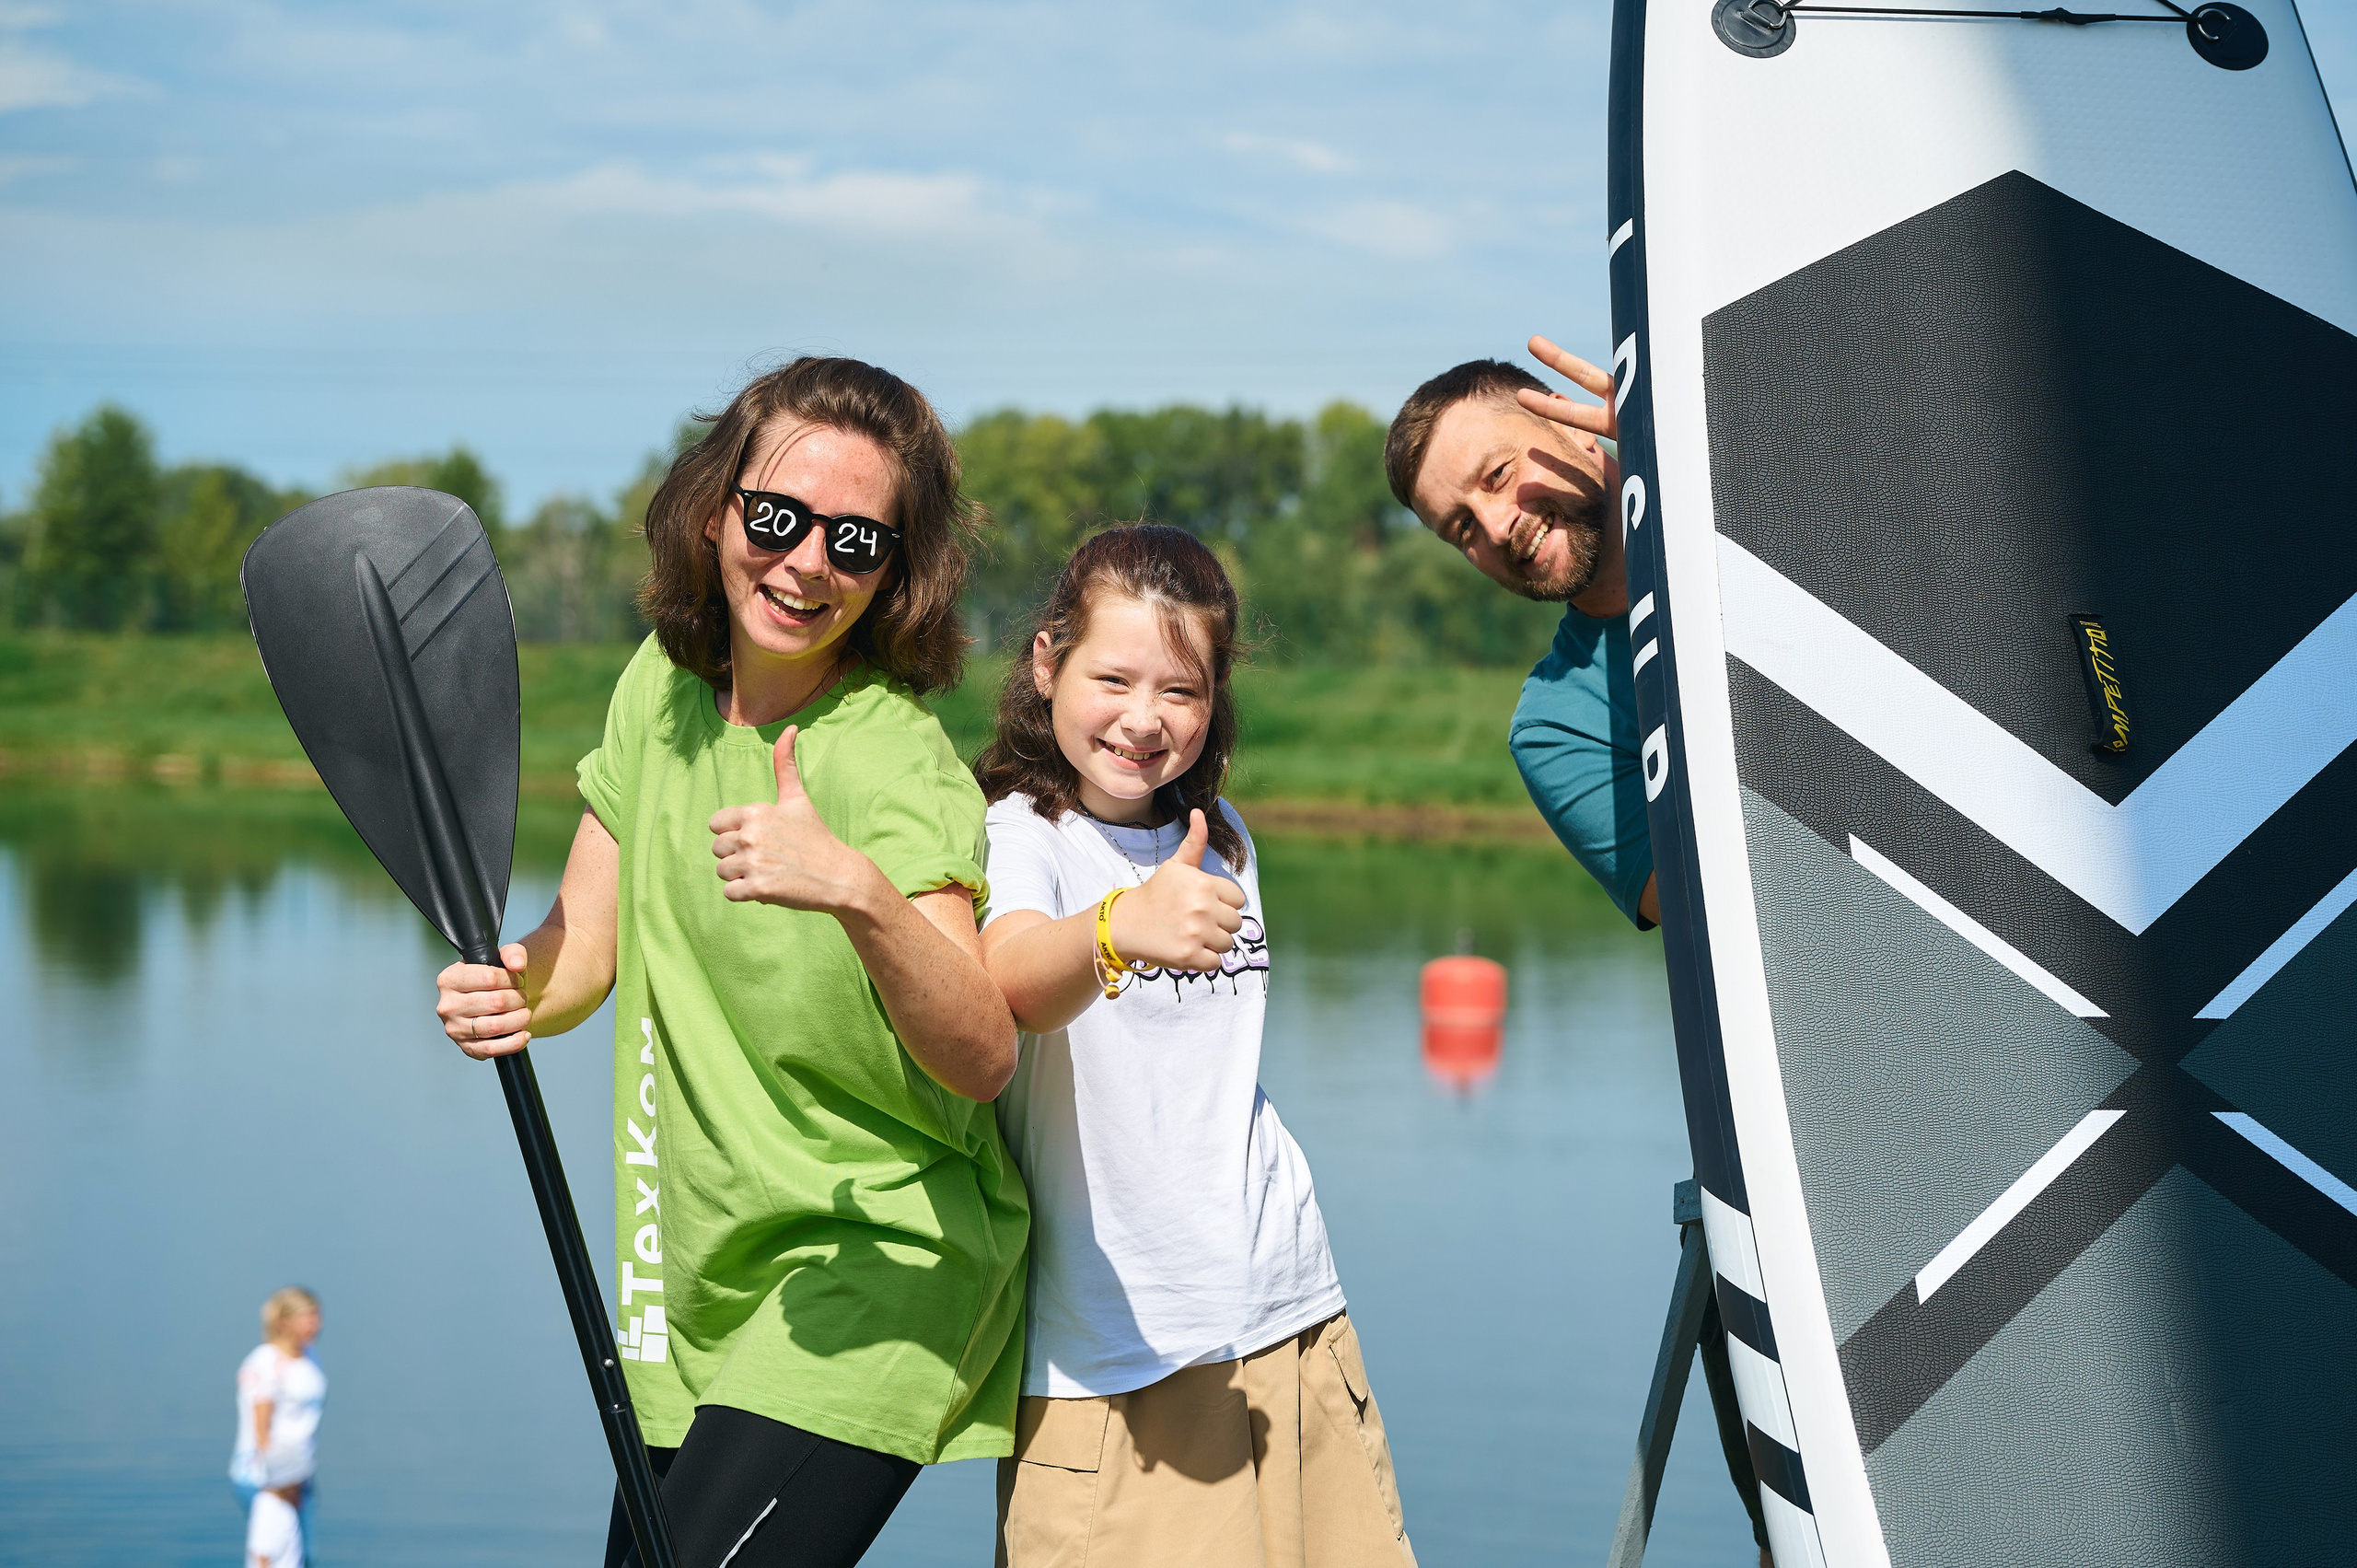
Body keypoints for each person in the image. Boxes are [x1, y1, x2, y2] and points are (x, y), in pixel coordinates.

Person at [431, 357, 1029, 1568]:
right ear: (716, 511)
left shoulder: (895, 765)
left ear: (894, 570)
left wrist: (855, 887)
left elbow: (982, 1052)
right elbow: (584, 943)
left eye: (857, 540)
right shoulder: (660, 688)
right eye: (778, 517)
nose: (808, 562)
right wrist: (514, 984)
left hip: (875, 1269)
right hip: (702, 1276)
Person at [1383, 340, 1771, 1564]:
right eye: (1460, 525)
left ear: (1572, 424)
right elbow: (1725, 906)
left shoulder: (1754, 516)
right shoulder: (1556, 721)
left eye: (1500, 473)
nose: (1497, 525)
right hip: (1788, 1165)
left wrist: (1701, 448)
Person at [975, 524, 1415, 1568]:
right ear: (1047, 662)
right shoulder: (1015, 833)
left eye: (1180, 689)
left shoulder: (1222, 835)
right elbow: (1007, 981)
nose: (1142, 718)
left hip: (1290, 1310)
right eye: (1112, 676)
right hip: (1111, 1356)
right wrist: (1116, 929)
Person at [230, 1286, 324, 1568]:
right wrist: (280, 1481)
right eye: (308, 1317)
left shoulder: (309, 1357)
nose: (316, 1324)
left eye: (317, 1316)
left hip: (297, 1476)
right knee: (271, 1554)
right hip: (270, 1479)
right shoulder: (267, 1362)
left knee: (300, 1557)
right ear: (284, 1322)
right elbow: (261, 1430)